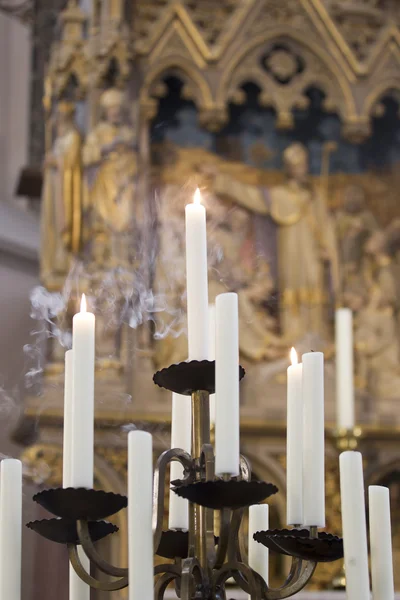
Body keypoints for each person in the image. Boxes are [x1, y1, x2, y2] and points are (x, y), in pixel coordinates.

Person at [41, 101, 82, 281]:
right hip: (53, 186)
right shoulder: (58, 138)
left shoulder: (73, 136)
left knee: (61, 222)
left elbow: (72, 164)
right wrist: (49, 161)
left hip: (64, 189)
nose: (59, 121)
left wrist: (56, 161)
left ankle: (63, 262)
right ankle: (52, 262)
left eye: (61, 117)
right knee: (50, 221)